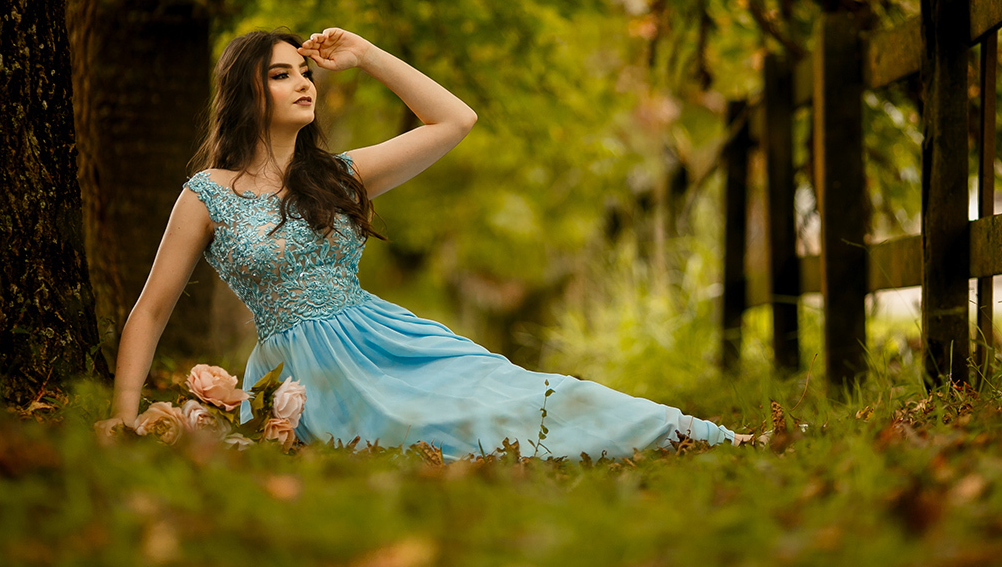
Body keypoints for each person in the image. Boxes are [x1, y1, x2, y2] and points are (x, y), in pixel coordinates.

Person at [96, 27, 747, 459]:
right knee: (438, 436)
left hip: (390, 342)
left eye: (306, 72)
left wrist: (368, 54)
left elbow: (455, 119)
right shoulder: (207, 193)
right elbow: (151, 310)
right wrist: (125, 418)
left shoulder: (340, 173)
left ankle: (713, 437)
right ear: (244, 91)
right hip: (299, 377)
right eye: (280, 74)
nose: (304, 83)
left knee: (527, 396)